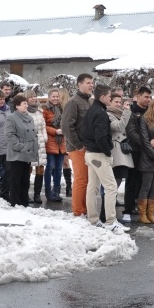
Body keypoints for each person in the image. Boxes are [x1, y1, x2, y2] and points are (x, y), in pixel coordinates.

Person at [81, 84, 129, 234]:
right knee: (111, 187)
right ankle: (111, 221)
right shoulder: (101, 113)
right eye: (109, 96)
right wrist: (108, 152)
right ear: (102, 97)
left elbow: (83, 132)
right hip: (99, 155)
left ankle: (93, 220)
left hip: (90, 153)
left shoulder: (91, 110)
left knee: (93, 188)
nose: (111, 98)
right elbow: (101, 136)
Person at [61, 74, 93, 216]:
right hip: (77, 147)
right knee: (81, 179)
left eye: (92, 82)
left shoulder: (89, 102)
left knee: (87, 180)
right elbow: (67, 126)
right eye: (88, 83)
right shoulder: (74, 102)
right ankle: (78, 211)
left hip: (87, 146)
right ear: (79, 85)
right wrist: (78, 145)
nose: (91, 85)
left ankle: (85, 208)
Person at [122, 86, 153, 220]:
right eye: (146, 97)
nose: (148, 100)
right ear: (138, 96)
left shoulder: (150, 112)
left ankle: (140, 208)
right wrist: (147, 143)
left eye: (150, 97)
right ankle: (127, 210)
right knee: (132, 181)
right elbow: (132, 132)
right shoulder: (132, 111)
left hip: (148, 152)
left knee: (143, 182)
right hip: (135, 151)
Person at [4, 95, 38, 207]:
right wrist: (20, 147)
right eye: (24, 104)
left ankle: (24, 202)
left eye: (26, 104)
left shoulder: (30, 117)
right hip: (17, 153)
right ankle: (15, 202)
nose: (26, 106)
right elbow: (9, 135)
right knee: (16, 180)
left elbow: (34, 134)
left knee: (25, 179)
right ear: (17, 106)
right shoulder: (11, 118)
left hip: (28, 153)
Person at [107, 93, 134, 213]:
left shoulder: (121, 113)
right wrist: (126, 112)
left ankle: (111, 205)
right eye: (116, 102)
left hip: (123, 148)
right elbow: (119, 127)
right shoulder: (108, 113)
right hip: (116, 149)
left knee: (119, 178)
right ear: (110, 102)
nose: (118, 104)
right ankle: (108, 209)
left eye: (120, 102)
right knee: (115, 179)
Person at [23, 90, 47, 204]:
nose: (33, 98)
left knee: (40, 167)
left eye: (34, 96)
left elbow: (43, 126)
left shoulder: (39, 111)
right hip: (29, 142)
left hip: (40, 141)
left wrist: (45, 137)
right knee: (28, 168)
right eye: (31, 97)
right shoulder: (24, 112)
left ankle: (37, 194)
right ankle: (25, 193)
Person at [43, 88, 66, 202]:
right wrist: (54, 131)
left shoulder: (62, 109)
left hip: (61, 142)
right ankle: (48, 193)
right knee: (49, 167)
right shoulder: (45, 109)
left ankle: (56, 192)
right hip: (50, 141)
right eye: (53, 96)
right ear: (49, 97)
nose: (56, 98)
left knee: (58, 168)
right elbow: (42, 125)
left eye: (57, 96)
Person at [58, 88, 73, 197]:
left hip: (65, 137)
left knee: (65, 162)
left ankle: (69, 186)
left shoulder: (67, 107)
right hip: (57, 136)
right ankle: (66, 187)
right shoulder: (55, 107)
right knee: (63, 162)